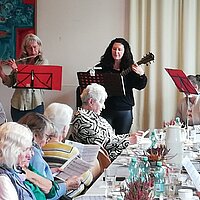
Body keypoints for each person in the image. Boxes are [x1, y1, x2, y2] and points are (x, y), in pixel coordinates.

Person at [18, 112, 81, 200]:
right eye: (47, 136)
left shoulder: (27, 153)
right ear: (35, 135)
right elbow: (46, 193)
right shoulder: (34, 154)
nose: (48, 141)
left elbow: (36, 177)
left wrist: (48, 172)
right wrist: (67, 185)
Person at [71, 83, 140, 161]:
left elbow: (111, 138)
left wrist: (128, 136)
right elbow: (102, 143)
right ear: (91, 102)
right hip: (100, 162)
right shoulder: (81, 119)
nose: (103, 106)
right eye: (101, 102)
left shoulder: (94, 116)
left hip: (110, 156)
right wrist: (128, 140)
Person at [94, 38, 147, 135]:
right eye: (114, 49)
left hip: (124, 110)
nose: (116, 52)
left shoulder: (130, 68)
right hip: (106, 109)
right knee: (105, 138)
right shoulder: (102, 67)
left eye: (119, 49)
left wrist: (141, 74)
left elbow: (140, 86)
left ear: (124, 51)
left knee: (122, 139)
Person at [43, 102, 93, 198]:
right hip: (66, 194)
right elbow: (88, 179)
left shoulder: (38, 147)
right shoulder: (70, 151)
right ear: (65, 128)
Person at [0, 33, 48, 122]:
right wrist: (1, 73)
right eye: (29, 48)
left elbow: (32, 82)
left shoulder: (43, 62)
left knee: (35, 132)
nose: (33, 51)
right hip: (18, 104)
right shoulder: (21, 62)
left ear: (39, 47)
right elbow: (11, 82)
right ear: (25, 49)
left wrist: (17, 70)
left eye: (35, 47)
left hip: (35, 104)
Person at [0, 122, 36, 199]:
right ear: (11, 151)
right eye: (25, 150)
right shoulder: (3, 180)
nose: (30, 155)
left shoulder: (12, 171)